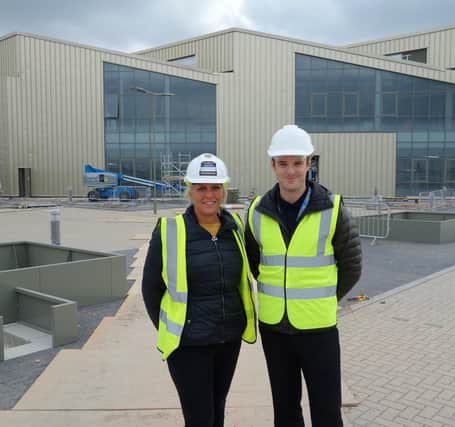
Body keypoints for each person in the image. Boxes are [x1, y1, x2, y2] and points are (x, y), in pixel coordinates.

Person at [245, 125, 362, 427]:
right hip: (274, 330)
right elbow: (255, 262)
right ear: (273, 166)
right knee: (285, 411)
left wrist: (323, 299)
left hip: (319, 330)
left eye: (297, 163)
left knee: (326, 411)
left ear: (309, 163)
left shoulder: (333, 209)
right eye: (283, 163)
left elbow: (352, 266)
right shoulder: (257, 211)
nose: (291, 171)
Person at [142, 153, 256, 427]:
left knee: (217, 411)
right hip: (188, 345)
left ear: (223, 190)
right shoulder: (170, 231)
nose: (209, 195)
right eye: (201, 188)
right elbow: (151, 290)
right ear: (190, 190)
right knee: (199, 419)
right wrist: (173, 329)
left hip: (228, 340)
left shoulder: (235, 228)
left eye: (215, 187)